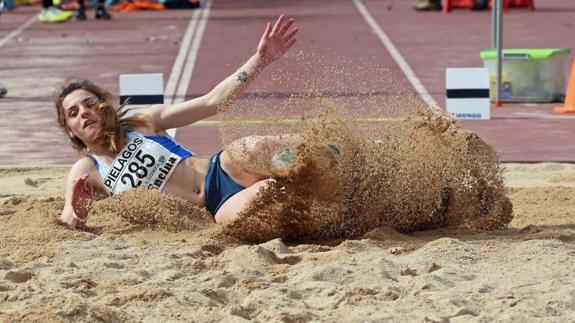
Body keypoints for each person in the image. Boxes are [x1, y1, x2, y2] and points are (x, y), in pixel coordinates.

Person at [57, 15, 299, 229]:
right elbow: (69, 220)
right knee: (268, 196)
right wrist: (79, 209)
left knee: (253, 149)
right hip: (215, 209)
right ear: (70, 129)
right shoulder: (87, 169)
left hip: (220, 170)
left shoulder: (140, 121)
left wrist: (260, 59)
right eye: (73, 113)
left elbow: (213, 101)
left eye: (89, 104)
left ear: (104, 105)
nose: (84, 113)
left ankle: (323, 149)